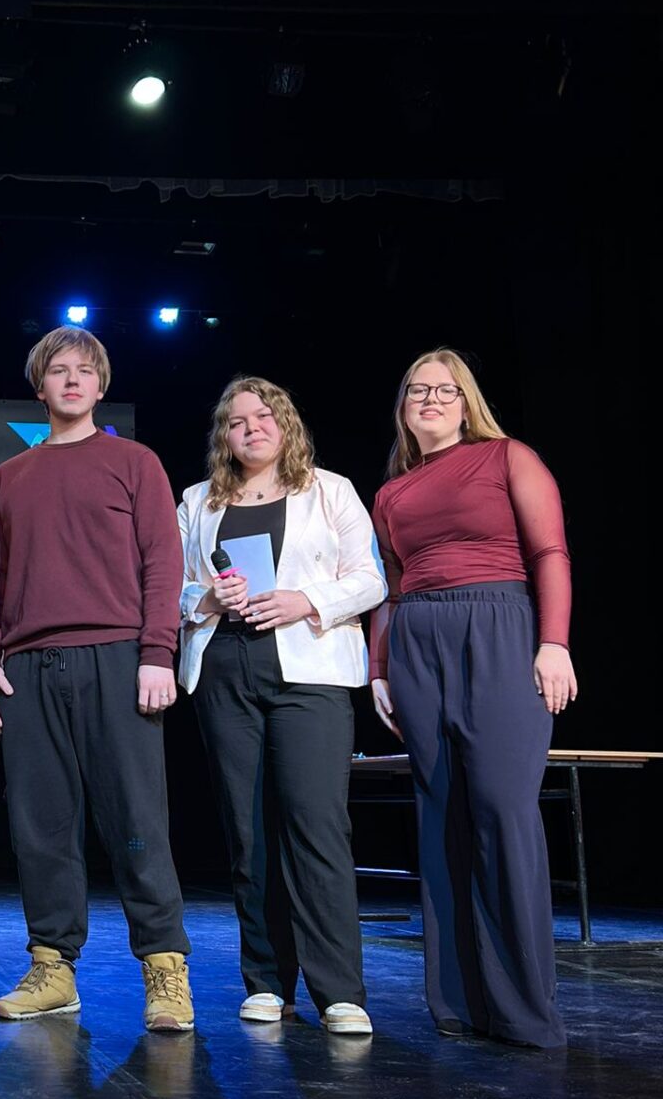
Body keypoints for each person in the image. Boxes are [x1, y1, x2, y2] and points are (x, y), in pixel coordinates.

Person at [0, 327, 194, 1033]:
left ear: (101, 385)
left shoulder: (135, 462)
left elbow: (163, 561)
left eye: (85, 370)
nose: (72, 380)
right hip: (30, 666)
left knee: (136, 821)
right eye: (58, 370)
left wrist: (158, 652)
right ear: (39, 386)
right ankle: (52, 969)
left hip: (117, 657)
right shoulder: (9, 477)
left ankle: (165, 969)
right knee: (40, 826)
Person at [370, 348, 577, 1051]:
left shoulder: (508, 456)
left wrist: (554, 643)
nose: (430, 400)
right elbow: (392, 587)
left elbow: (549, 553)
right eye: (417, 390)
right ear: (403, 407)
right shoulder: (392, 493)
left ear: (467, 403)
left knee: (502, 810)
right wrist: (379, 669)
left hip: (498, 627)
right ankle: (459, 1004)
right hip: (417, 641)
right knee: (442, 817)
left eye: (445, 390)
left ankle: (524, 1011)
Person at [177, 377, 385, 1036]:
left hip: (309, 670)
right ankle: (267, 983)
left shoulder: (331, 491)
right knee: (248, 830)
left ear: (285, 424)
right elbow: (172, 587)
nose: (251, 428)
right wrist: (206, 599)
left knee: (316, 824)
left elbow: (371, 579)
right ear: (224, 436)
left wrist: (306, 600)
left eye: (263, 416)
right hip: (225, 668)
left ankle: (339, 991)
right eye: (237, 421)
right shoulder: (197, 502)